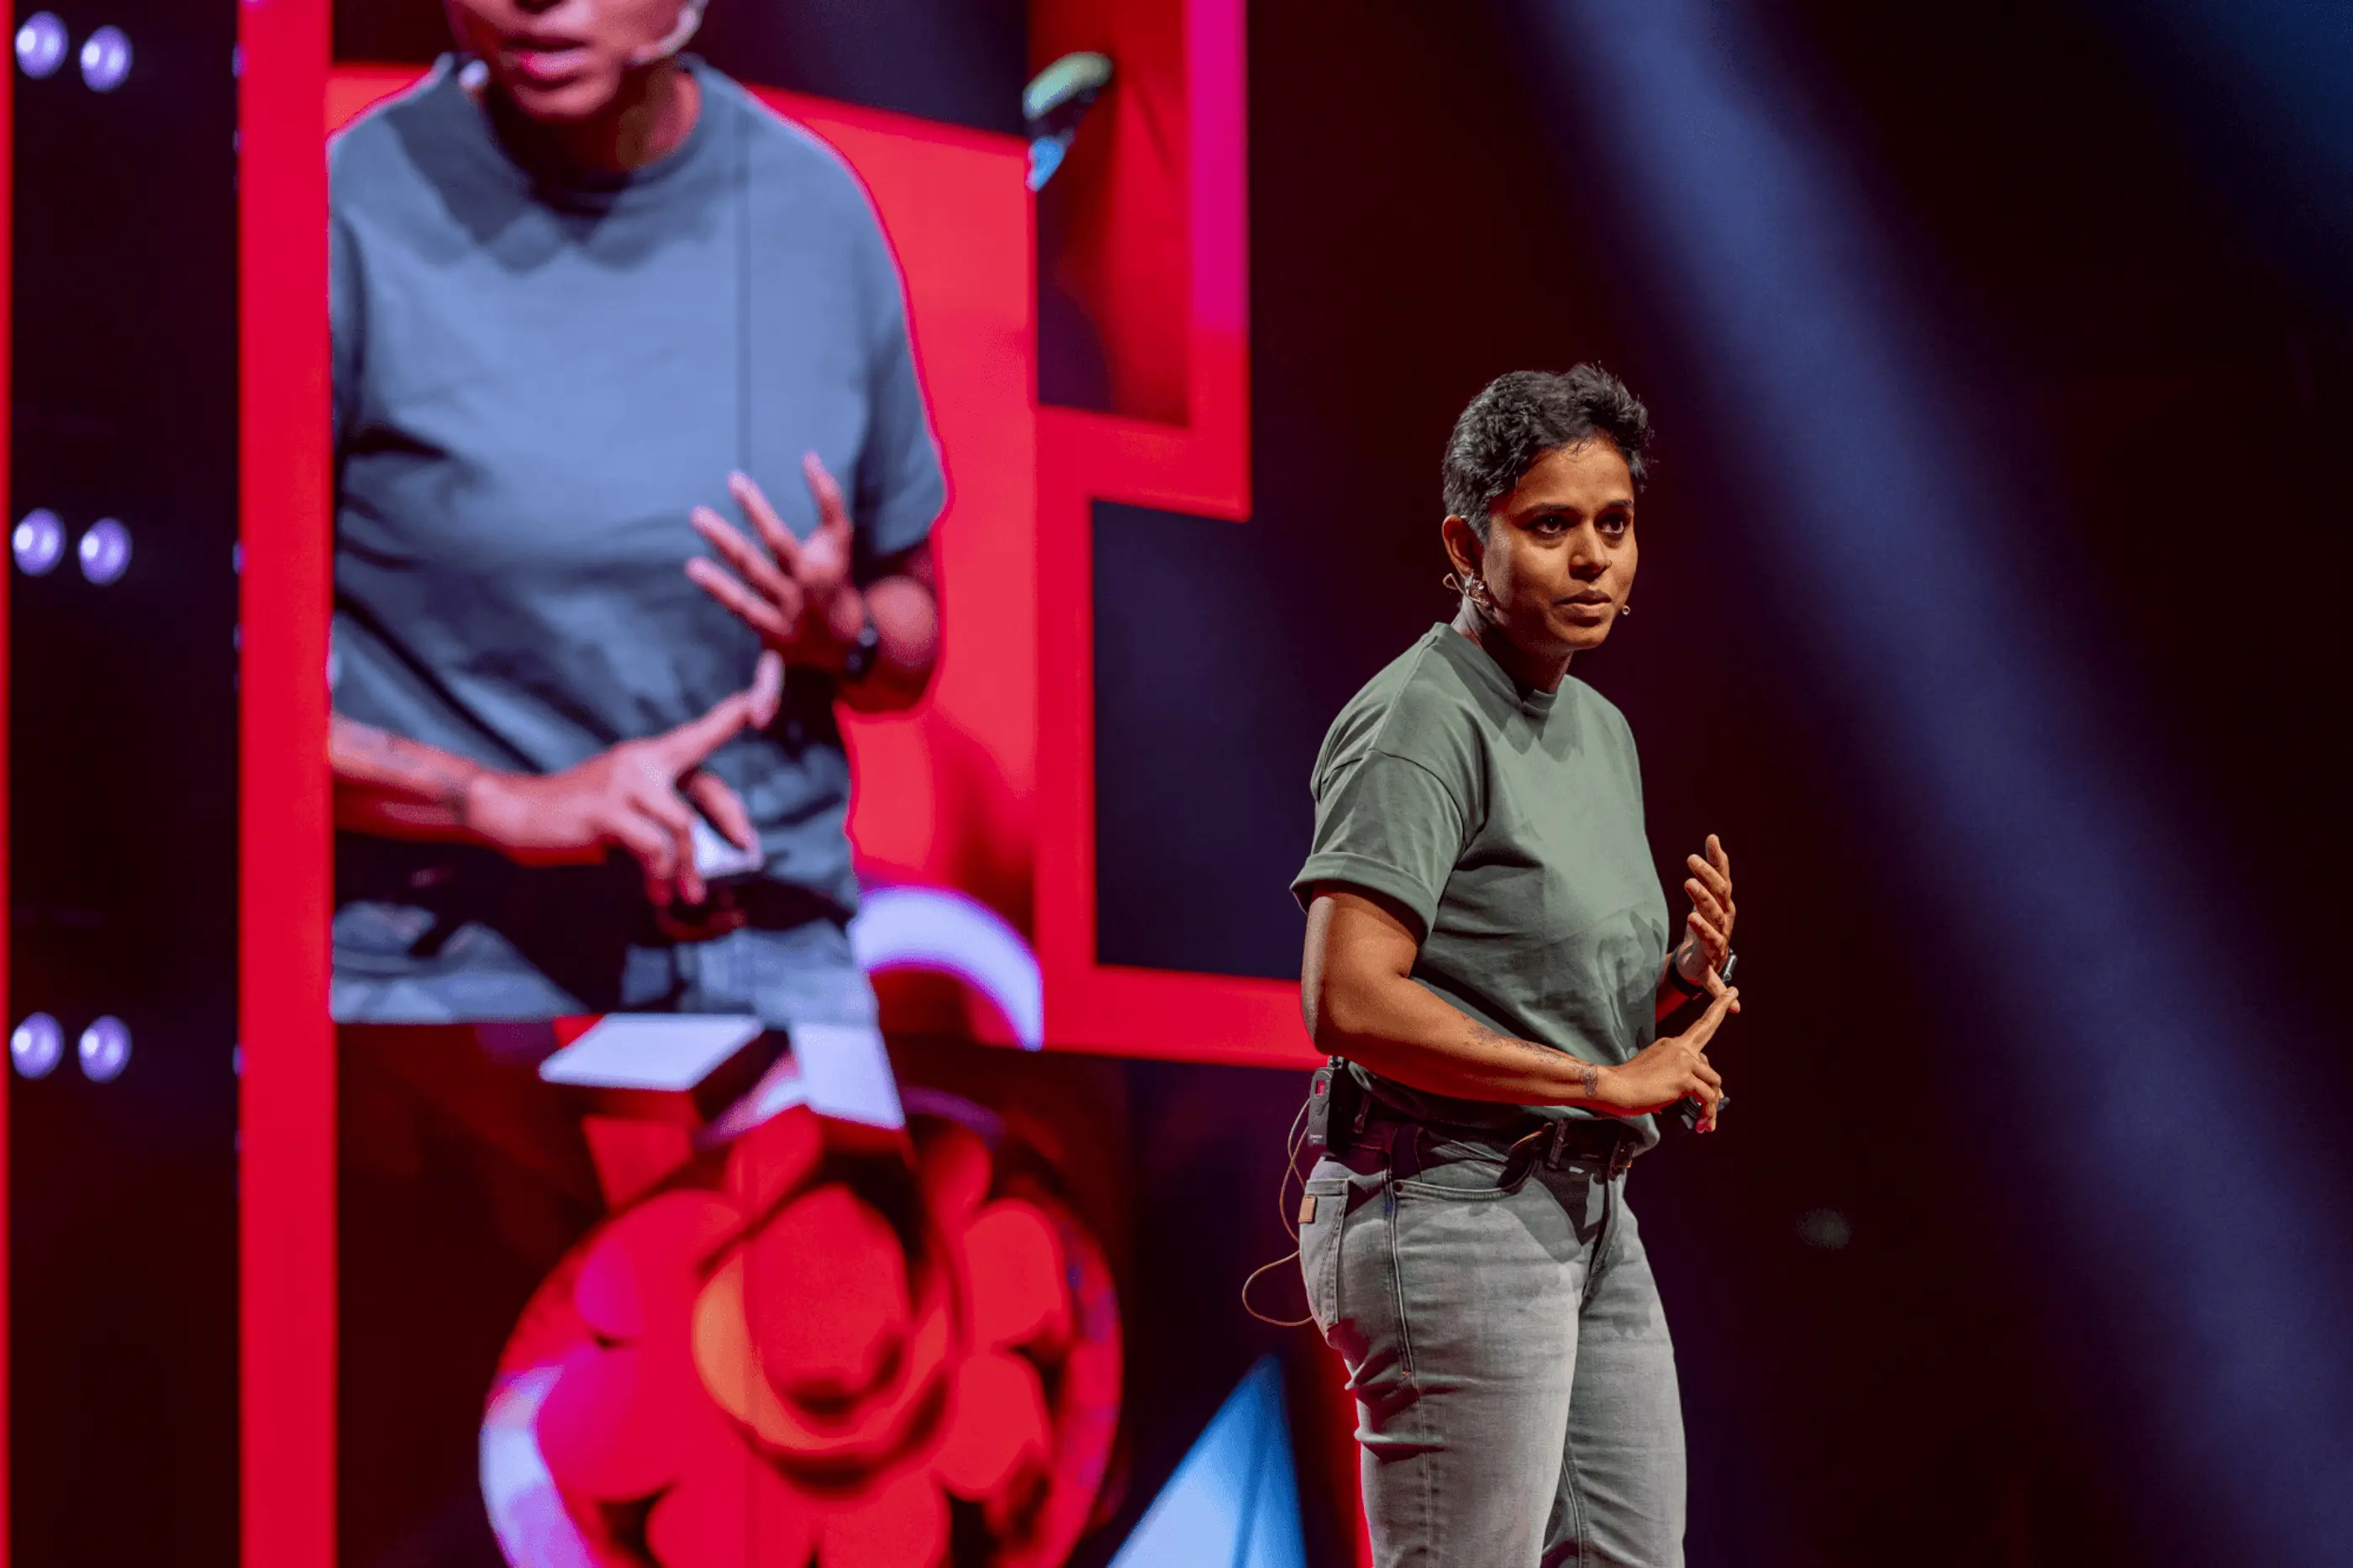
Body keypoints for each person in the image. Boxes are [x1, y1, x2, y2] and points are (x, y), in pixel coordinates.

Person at [324, 0, 945, 1026]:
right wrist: (508, 806)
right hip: (446, 950)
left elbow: (911, 635)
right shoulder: (351, 204)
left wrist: (844, 633)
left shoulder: (813, 210)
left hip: (770, 941)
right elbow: (208, 683)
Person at [1292, 367, 1742, 1565]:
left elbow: (1533, 988)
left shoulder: (1598, 726)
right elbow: (1347, 996)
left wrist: (1679, 979)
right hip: (1449, 1207)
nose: (1593, 558)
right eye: (1550, 526)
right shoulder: (1421, 718)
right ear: (1466, 545)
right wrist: (1599, 1082)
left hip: (1585, 1206)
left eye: (1615, 523)